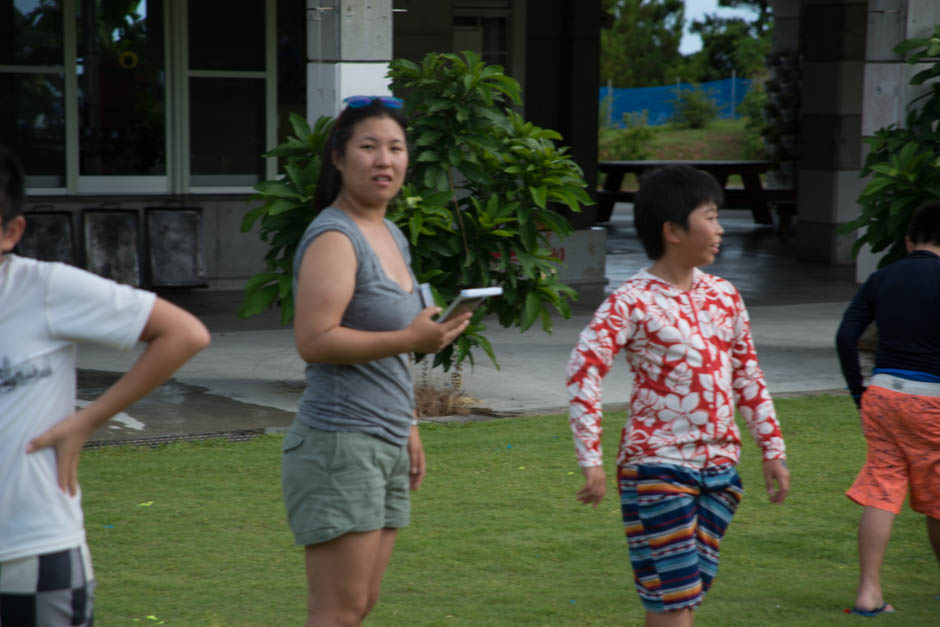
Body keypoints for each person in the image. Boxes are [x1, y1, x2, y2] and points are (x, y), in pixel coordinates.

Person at [566, 165, 789, 627]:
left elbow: (747, 374)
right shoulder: (631, 300)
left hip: (721, 473)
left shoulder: (725, 296)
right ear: (672, 231)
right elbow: (584, 369)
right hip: (657, 467)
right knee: (675, 599)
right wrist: (590, 457)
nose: (721, 229)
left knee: (680, 598)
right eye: (710, 216)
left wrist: (772, 450)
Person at [0, 145, 210, 625]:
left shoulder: (43, 289)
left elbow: (184, 334)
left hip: (34, 551)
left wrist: (88, 420)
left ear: (11, 231)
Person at [281, 95, 471, 626]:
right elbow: (314, 341)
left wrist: (408, 421)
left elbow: (387, 339)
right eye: (369, 147)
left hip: (382, 438)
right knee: (337, 611)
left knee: (361, 604)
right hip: (341, 442)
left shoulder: (390, 233)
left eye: (396, 148)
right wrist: (411, 339)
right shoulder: (334, 237)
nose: (384, 160)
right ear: (339, 158)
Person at [835, 200, 940, 617]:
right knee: (936, 495)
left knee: (883, 486)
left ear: (909, 241)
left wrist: (860, 391)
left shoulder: (882, 277)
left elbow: (846, 336)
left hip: (882, 394)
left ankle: (868, 593)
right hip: (932, 398)